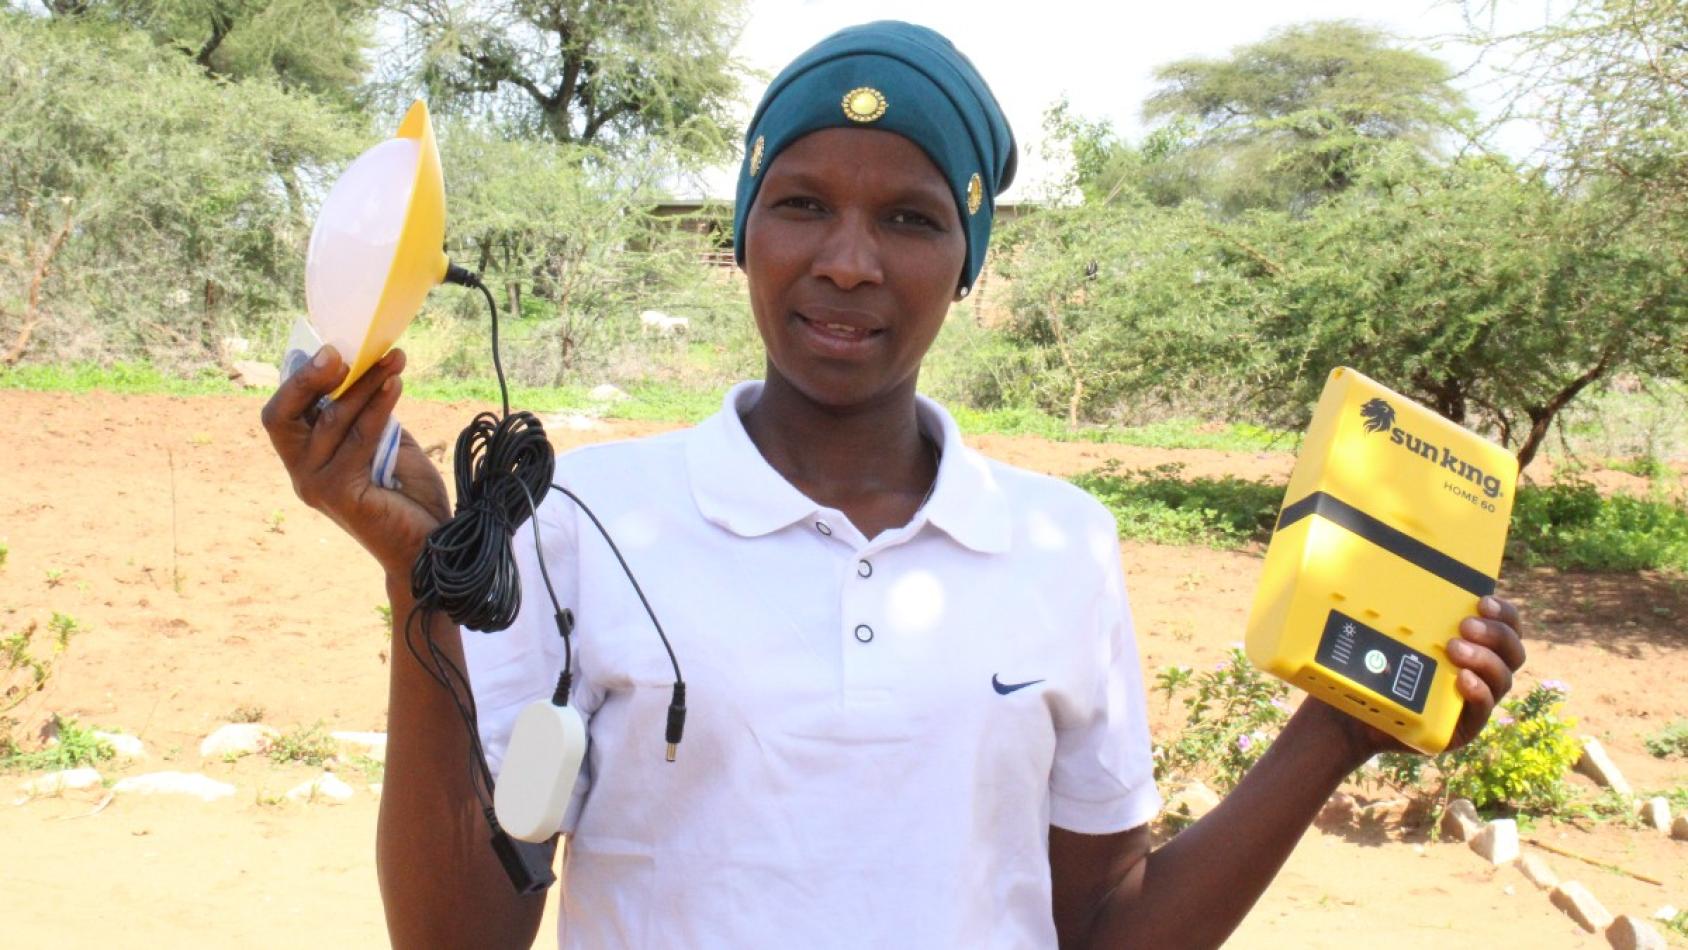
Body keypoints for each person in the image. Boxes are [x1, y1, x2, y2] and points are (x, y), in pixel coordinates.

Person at [262, 21, 1526, 949]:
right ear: (741, 232)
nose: (849, 262)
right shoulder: (586, 522)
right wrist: (421, 586)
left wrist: (1337, 730)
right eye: (801, 202)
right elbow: (457, 936)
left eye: (913, 219)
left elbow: (1104, 927)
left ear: (969, 261)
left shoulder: (1057, 544)